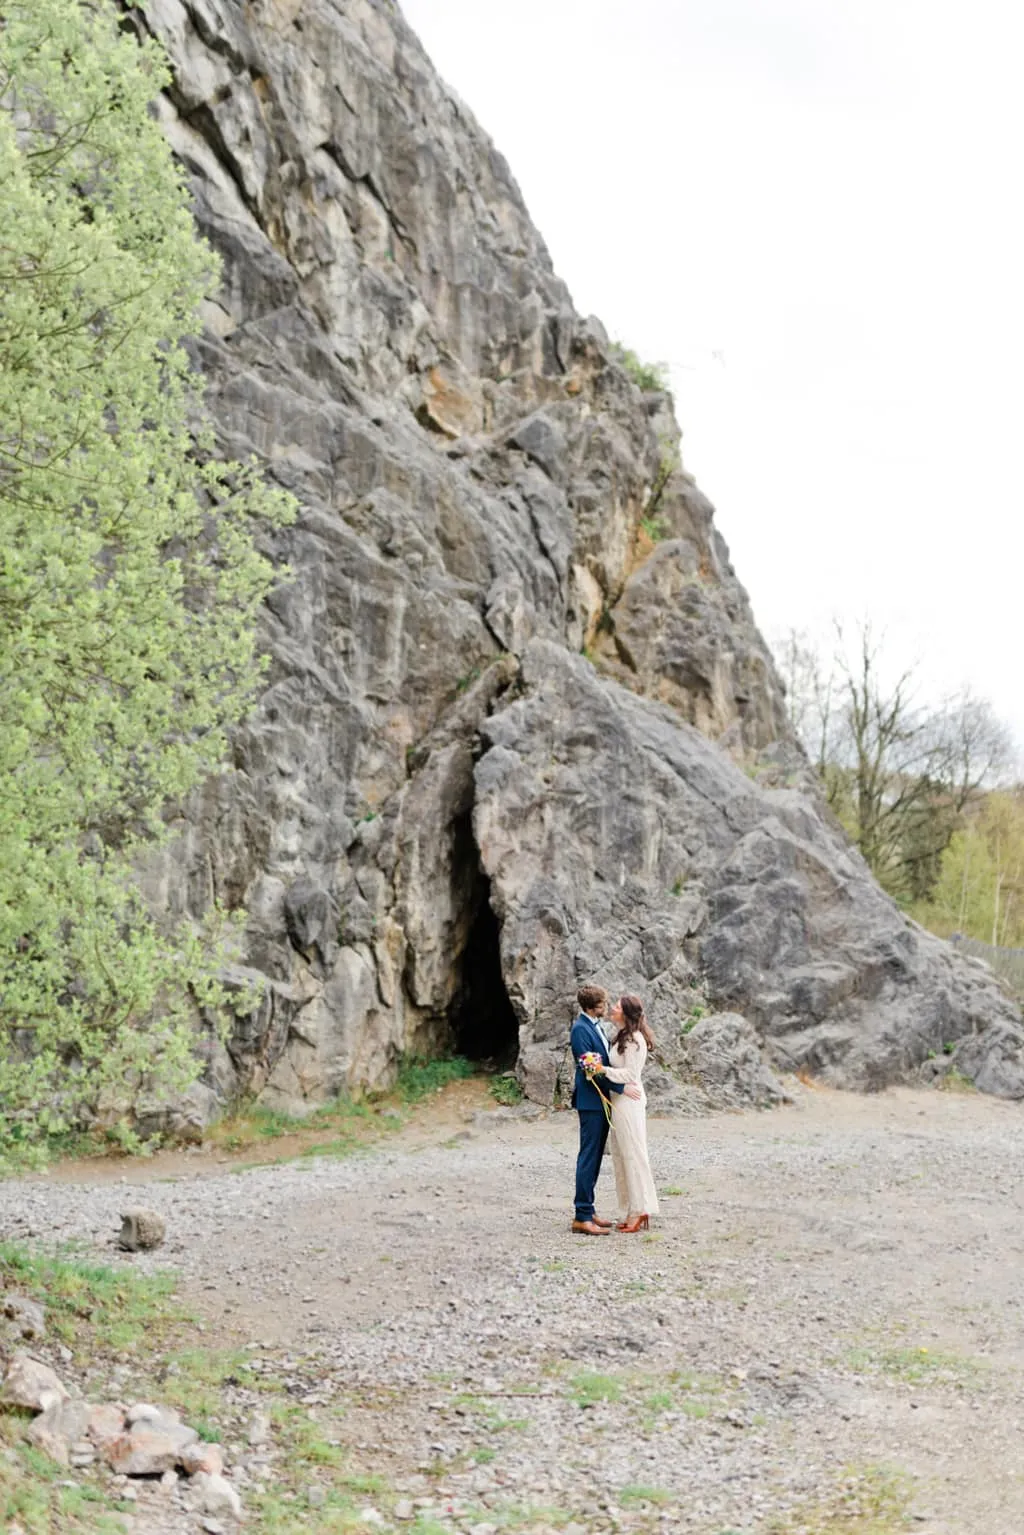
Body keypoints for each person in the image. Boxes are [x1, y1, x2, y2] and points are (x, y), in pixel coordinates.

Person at [569, 984, 641, 1235]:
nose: (607, 1007)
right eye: (603, 1004)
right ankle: (582, 1215)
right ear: (592, 1006)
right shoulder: (580, 1030)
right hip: (591, 1102)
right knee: (588, 1156)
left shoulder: (593, 1026)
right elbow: (590, 1070)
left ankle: (589, 1209)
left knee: (596, 1156)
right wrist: (621, 1089)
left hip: (600, 1102)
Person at [599, 994, 660, 1232]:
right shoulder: (621, 1037)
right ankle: (628, 1209)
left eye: (616, 1006)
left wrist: (600, 1069)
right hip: (619, 1100)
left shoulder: (635, 1040)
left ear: (625, 1012)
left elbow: (630, 1075)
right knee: (620, 1155)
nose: (612, 1009)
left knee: (633, 1154)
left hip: (629, 1101)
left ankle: (641, 1209)